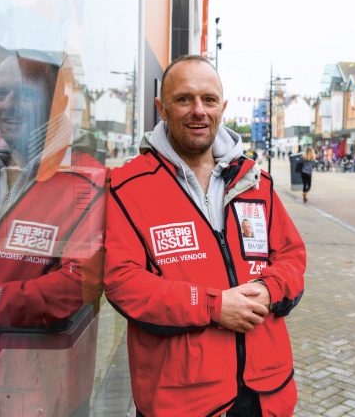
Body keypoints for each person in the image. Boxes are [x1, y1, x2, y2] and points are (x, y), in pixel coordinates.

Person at [104, 55, 305, 416]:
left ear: (222, 107)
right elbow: (123, 283)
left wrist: (269, 288)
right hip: (184, 400)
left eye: (209, 100)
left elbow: (292, 257)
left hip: (265, 394)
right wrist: (214, 306)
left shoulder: (254, 181)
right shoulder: (126, 187)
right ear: (161, 108)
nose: (199, 110)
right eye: (184, 99)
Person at [0, 52, 106, 415]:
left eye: (27, 93)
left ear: (57, 101)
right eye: (2, 92)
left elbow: (77, 285)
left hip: (25, 394)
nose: (11, 105)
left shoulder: (86, 179)